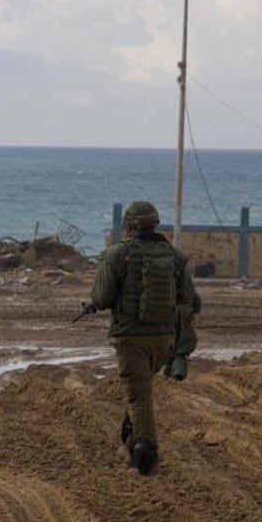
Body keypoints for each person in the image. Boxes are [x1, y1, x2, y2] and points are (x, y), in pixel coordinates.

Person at [89, 200, 196, 474]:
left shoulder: (116, 254)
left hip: (130, 337)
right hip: (163, 339)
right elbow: (188, 298)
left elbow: (101, 298)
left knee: (139, 396)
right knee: (140, 390)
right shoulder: (175, 256)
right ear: (155, 224)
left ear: (128, 227)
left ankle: (146, 455)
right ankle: (129, 439)